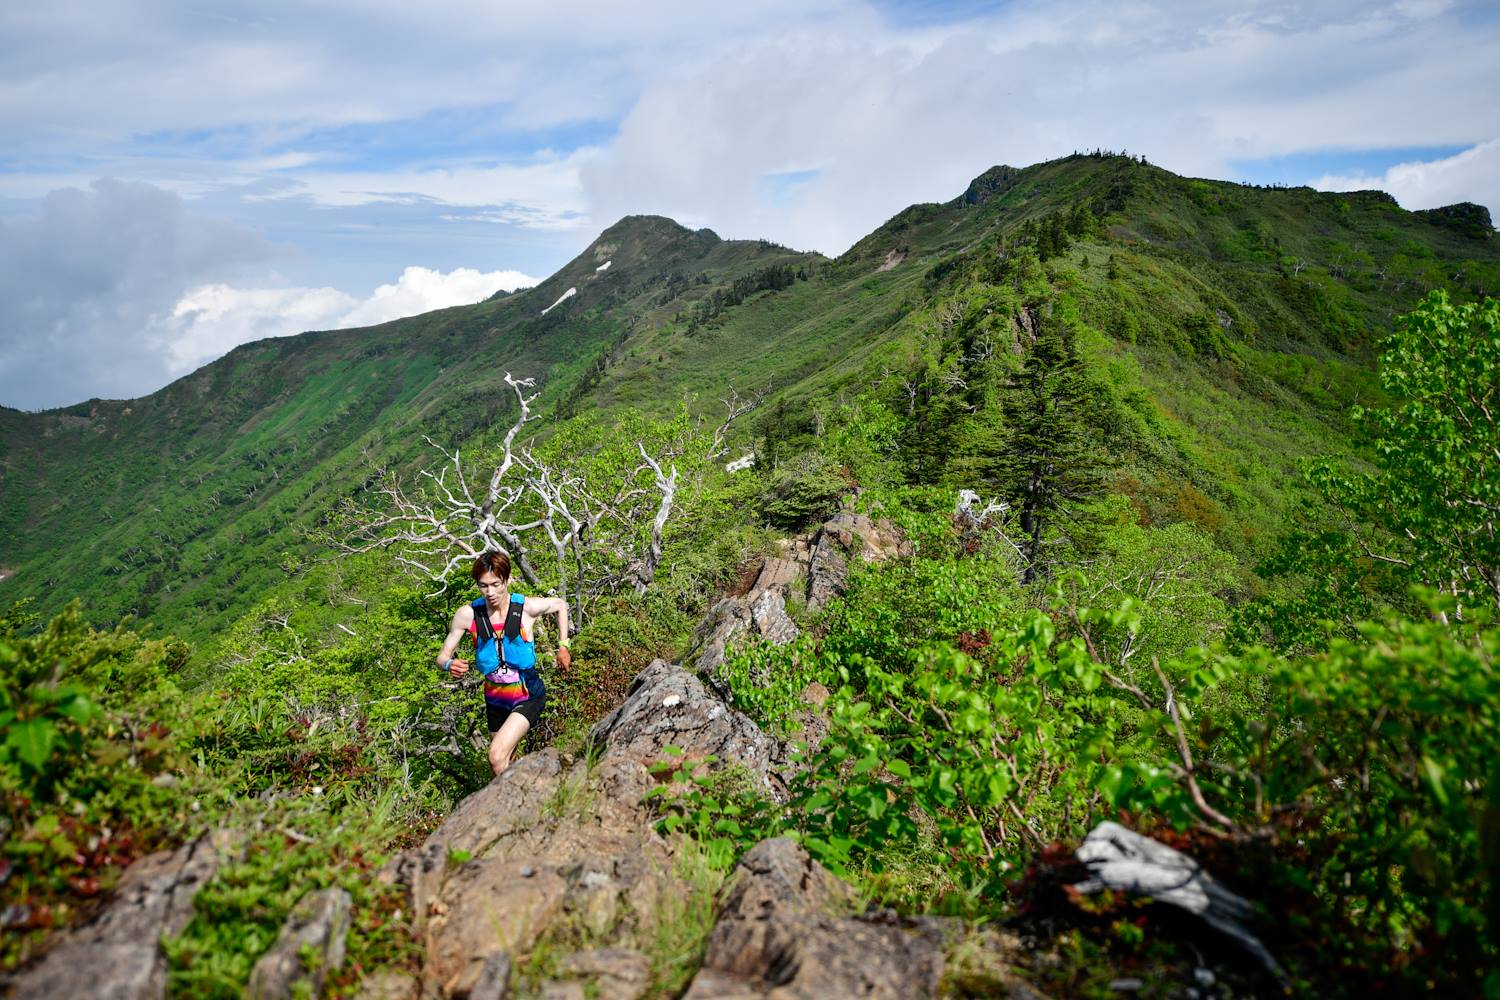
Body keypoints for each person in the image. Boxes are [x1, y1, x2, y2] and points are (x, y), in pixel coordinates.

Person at [435, 551, 571, 775]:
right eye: (483, 586)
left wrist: (563, 646)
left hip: (527, 694)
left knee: (495, 756)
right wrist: (450, 664)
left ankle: (516, 807)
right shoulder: (468, 615)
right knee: (507, 760)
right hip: (495, 700)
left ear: (507, 580)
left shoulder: (525, 608)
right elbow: (441, 657)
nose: (490, 592)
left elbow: (559, 605)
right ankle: (529, 796)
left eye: (496, 584)